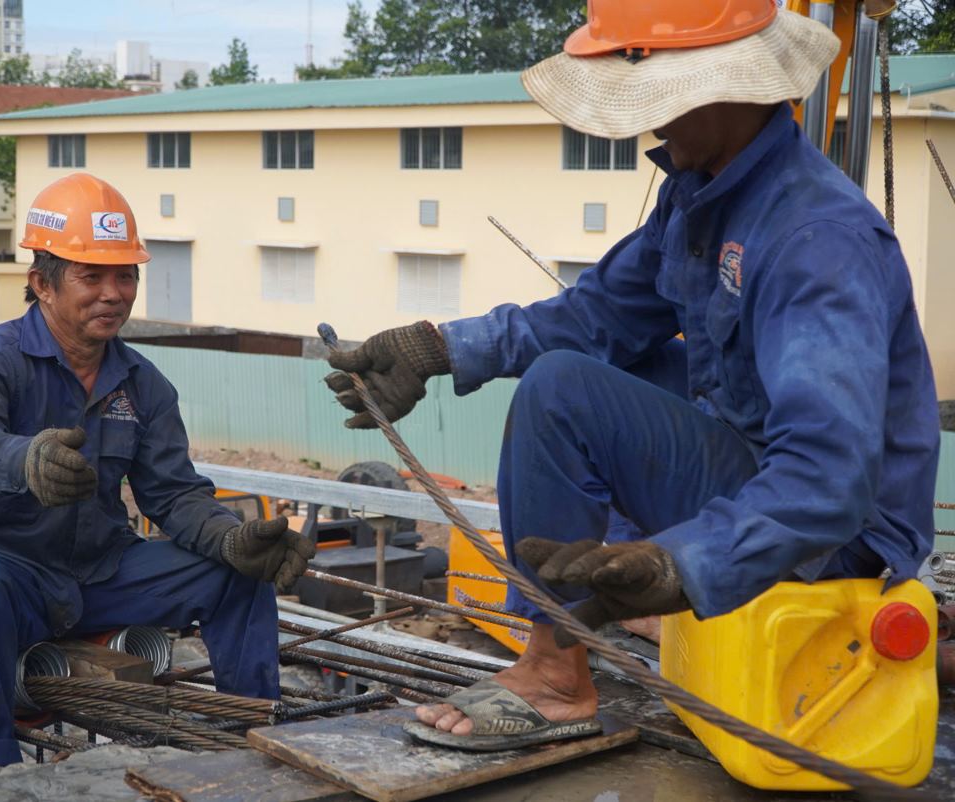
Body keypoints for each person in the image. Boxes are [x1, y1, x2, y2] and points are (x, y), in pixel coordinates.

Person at [325, 0, 939, 751]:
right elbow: (596, 318)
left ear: (726, 87)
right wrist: (438, 348)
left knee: (563, 390)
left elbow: (828, 479)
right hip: (755, 454)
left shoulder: (817, 241)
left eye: (661, 101)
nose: (652, 125)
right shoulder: (705, 197)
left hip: (838, 532)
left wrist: (679, 564)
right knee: (598, 365)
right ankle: (589, 616)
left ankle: (555, 675)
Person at [0, 173, 315, 766]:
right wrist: (25, 460)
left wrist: (231, 538)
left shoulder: (142, 384)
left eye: (124, 275)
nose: (112, 293)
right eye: (91, 275)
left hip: (99, 572)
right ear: (42, 285)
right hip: (5, 570)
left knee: (235, 574)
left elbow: (174, 496)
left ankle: (252, 734)